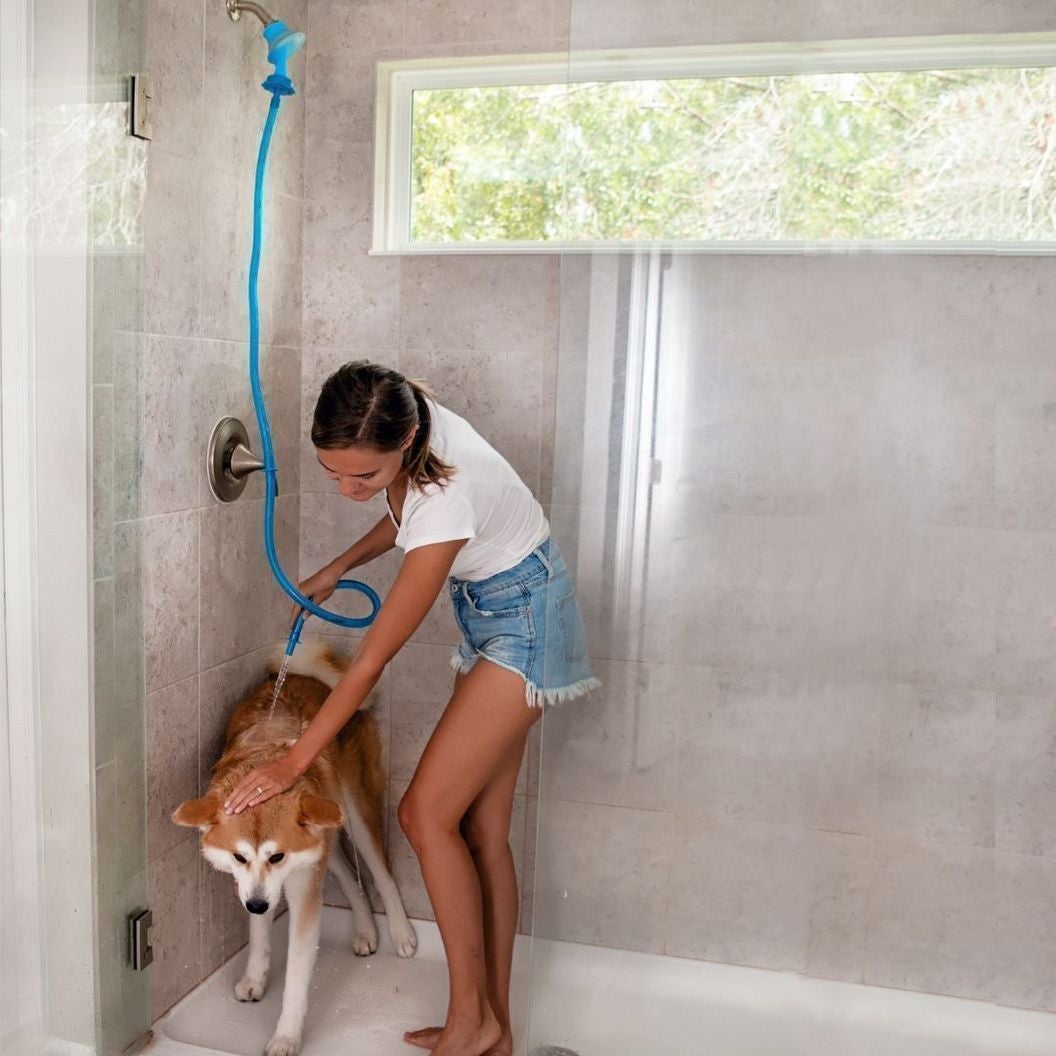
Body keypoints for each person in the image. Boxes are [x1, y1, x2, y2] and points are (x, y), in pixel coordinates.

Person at [223, 360, 599, 1056]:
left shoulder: (447, 494)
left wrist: (294, 760)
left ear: (405, 444)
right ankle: (495, 1031)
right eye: (332, 471)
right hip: (497, 614)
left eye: (362, 477)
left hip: (526, 627)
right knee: (481, 829)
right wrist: (341, 564)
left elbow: (371, 660)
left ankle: (471, 1025)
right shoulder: (405, 409)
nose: (347, 488)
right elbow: (404, 514)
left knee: (424, 816)